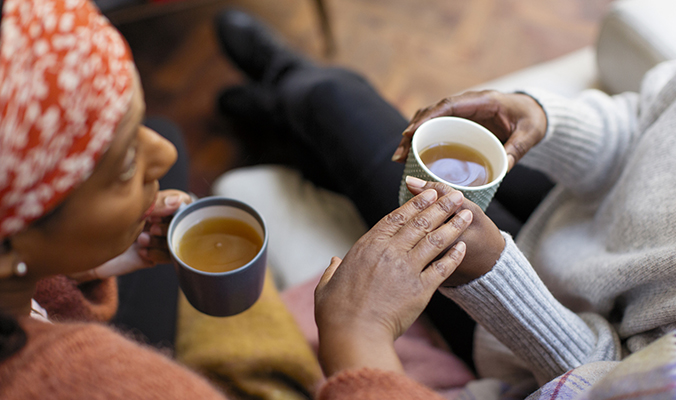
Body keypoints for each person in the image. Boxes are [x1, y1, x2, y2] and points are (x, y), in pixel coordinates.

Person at [214, 8, 676, 399]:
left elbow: (602, 381)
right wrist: (547, 121)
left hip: (526, 319)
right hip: (575, 204)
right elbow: (644, 122)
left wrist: (491, 274)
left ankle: (282, 96)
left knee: (333, 99)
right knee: (341, 116)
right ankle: (283, 120)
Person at [0, 0, 477, 398]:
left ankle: (276, 112)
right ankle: (284, 102)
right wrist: (360, 339)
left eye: (135, 126)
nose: (161, 155)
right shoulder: (118, 385)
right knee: (328, 100)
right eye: (124, 164)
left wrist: (81, 268)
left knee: (177, 133)